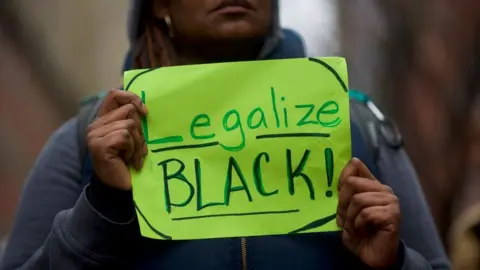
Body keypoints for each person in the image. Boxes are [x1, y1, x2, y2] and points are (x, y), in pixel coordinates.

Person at [0, 0, 450, 269]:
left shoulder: (359, 128)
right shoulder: (86, 142)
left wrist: (393, 262)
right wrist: (103, 208)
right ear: (159, 4)